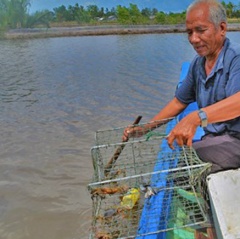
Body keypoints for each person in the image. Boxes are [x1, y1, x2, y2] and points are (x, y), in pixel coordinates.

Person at [123, 0, 240, 174]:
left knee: (187, 163)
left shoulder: (235, 58)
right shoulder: (198, 64)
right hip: (216, 137)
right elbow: (179, 101)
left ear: (222, 28)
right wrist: (144, 129)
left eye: (201, 30)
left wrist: (196, 118)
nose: (194, 39)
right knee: (184, 157)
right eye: (189, 32)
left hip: (236, 138)